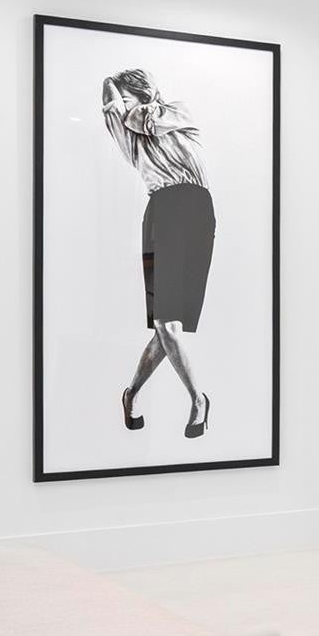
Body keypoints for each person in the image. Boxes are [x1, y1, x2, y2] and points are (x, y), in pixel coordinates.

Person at [103, 67, 214, 439]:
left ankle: (131, 393)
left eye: (128, 98)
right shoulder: (129, 139)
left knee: (172, 327)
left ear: (144, 93)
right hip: (162, 213)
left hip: (199, 211)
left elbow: (145, 119)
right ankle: (198, 399)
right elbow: (114, 111)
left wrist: (131, 105)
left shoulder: (177, 111)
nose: (123, 108)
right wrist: (110, 86)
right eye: (122, 102)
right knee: (166, 325)